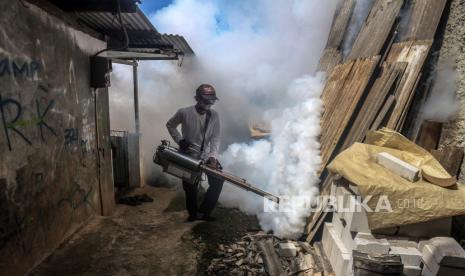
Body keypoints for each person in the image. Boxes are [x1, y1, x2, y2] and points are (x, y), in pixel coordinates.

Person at [166, 84, 224, 222]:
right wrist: (180, 140)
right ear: (197, 98)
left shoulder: (214, 115)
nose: (209, 103)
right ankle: (192, 214)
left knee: (218, 181)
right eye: (205, 100)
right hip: (187, 155)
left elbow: (216, 138)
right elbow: (170, 125)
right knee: (190, 187)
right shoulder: (184, 112)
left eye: (211, 100)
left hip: (206, 155)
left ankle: (205, 212)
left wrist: (213, 157)